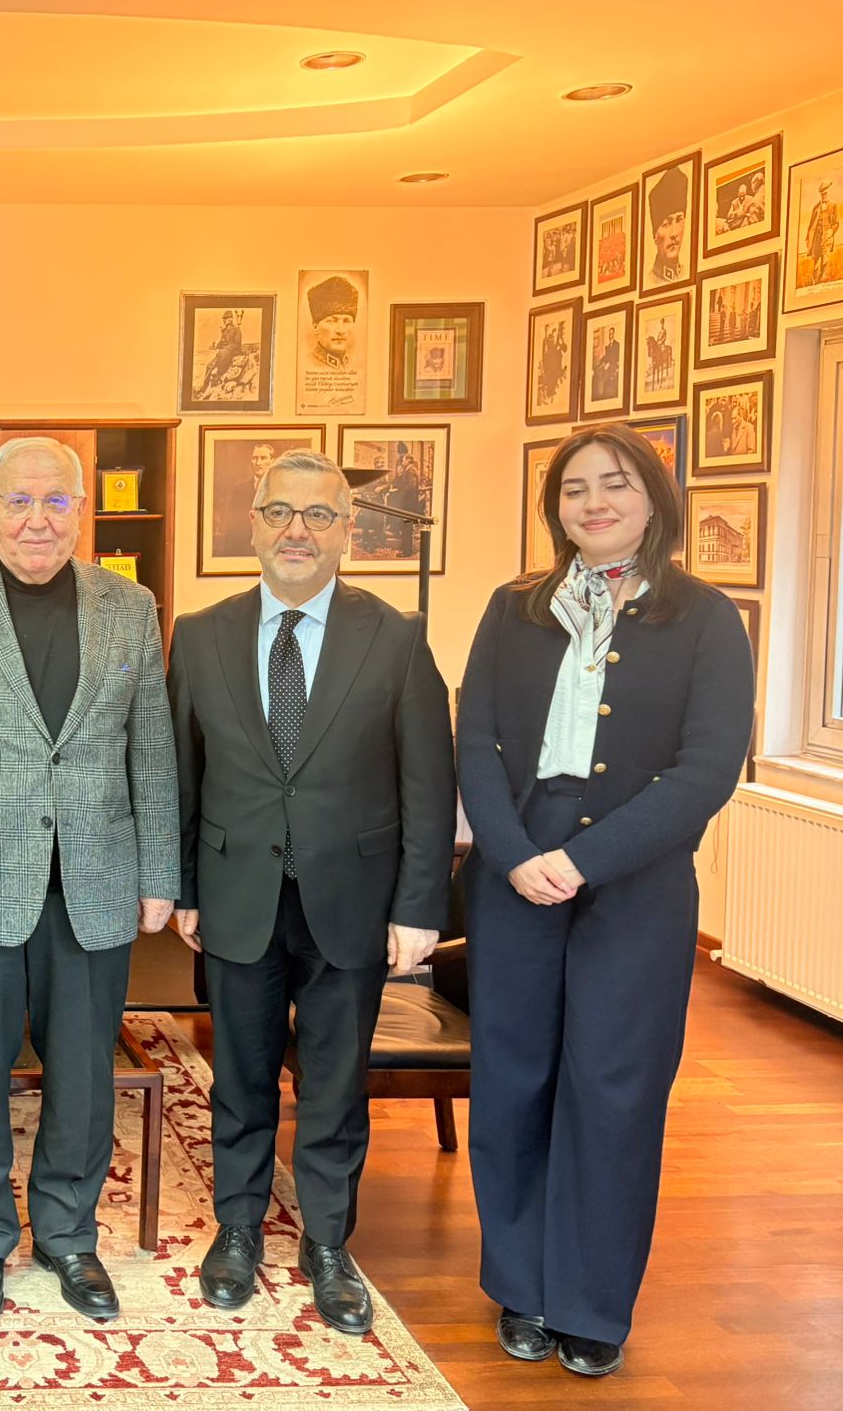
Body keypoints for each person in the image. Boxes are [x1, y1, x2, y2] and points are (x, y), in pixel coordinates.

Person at [457, 424, 753, 1378]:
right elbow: (475, 741)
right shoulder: (514, 609)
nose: (593, 503)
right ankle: (521, 1287)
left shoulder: (706, 617)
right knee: (514, 1080)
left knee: (615, 1088)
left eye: (615, 484)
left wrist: (584, 862)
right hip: (515, 869)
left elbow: (708, 768)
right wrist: (512, 856)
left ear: (654, 497)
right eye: (575, 488)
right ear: (556, 509)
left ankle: (591, 1302)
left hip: (638, 875)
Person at [0, 436, 178, 1326]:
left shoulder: (130, 606)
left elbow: (151, 747)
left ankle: (67, 1235)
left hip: (94, 876)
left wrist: (159, 869)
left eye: (56, 501)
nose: (36, 519)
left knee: (83, 1076)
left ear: (82, 511)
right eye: (18, 501)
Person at [166, 448, 454, 1336]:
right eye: (280, 512)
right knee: (240, 1077)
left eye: (319, 514)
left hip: (352, 902)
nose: (298, 530)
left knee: (334, 1086)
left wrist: (418, 907)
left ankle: (328, 1243)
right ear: (252, 525)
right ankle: (239, 1230)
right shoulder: (201, 635)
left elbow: (428, 782)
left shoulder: (395, 636)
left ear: (348, 531)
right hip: (236, 895)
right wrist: (182, 887)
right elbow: (181, 774)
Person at [646, 163, 690, 286]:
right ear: (655, 236)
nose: (674, 233)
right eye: (666, 224)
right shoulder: (650, 281)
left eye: (679, 220)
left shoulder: (686, 273)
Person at [306, 275, 359, 369]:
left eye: (346, 321)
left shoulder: (355, 366)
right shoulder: (307, 364)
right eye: (332, 321)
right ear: (315, 326)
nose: (340, 330)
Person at [805, 177, 838, 287]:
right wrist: (807, 238)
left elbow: (837, 223)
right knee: (816, 260)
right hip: (816, 238)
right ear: (820, 194)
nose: (825, 195)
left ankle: (822, 282)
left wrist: (831, 231)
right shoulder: (815, 208)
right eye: (823, 194)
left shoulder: (833, 205)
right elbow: (810, 225)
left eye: (826, 193)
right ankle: (815, 282)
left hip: (827, 237)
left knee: (825, 259)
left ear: (829, 192)